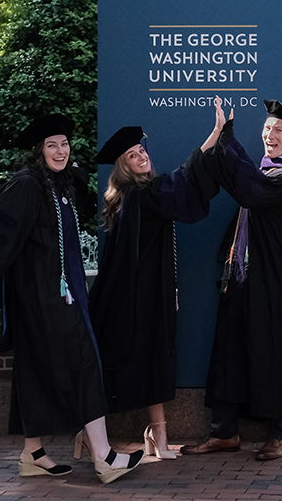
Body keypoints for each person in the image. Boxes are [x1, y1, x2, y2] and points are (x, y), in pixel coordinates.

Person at [0, 114, 143, 483]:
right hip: (47, 298)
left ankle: (33, 453)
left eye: (64, 144)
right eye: (51, 145)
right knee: (85, 362)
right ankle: (105, 457)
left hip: (54, 295)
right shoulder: (28, 186)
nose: (60, 151)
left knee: (34, 370)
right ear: (38, 150)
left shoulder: (57, 184)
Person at [183, 100, 282, 462]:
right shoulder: (265, 171)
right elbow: (243, 180)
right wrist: (219, 138)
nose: (270, 135)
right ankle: (224, 432)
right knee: (230, 349)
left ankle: (278, 434)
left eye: (279, 130)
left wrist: (227, 135)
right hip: (242, 276)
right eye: (267, 129)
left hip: (273, 281)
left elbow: (250, 189)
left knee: (273, 355)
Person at [89, 109, 223, 459]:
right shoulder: (139, 196)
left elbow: (178, 183)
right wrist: (213, 136)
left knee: (155, 362)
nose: (141, 156)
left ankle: (155, 436)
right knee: (149, 361)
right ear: (123, 166)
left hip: (149, 293)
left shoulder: (141, 194)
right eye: (132, 155)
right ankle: (124, 436)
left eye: (141, 150)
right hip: (139, 298)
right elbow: (183, 178)